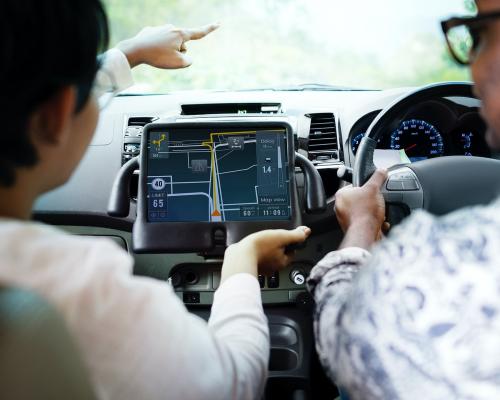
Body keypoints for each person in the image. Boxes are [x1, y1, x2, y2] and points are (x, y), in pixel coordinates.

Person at [0, 1, 311, 399]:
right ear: (57, 115)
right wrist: (241, 262)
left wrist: (130, 53)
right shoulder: (86, 295)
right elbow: (236, 381)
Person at [307, 0, 500, 399]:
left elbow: (345, 342)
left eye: (478, 36)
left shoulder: (439, 265)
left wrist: (362, 224)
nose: (473, 72)